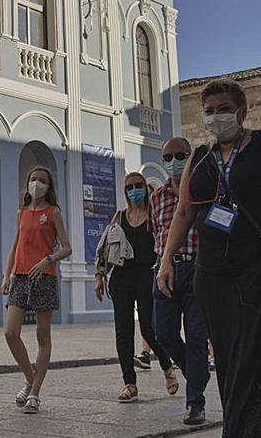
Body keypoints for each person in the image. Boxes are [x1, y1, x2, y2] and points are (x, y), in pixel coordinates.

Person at [158, 79, 261, 437]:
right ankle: (241, 428)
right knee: (231, 358)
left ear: (241, 112)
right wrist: (166, 259)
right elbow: (183, 213)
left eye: (223, 109)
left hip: (260, 269)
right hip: (214, 275)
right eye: (210, 111)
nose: (216, 117)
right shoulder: (200, 158)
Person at [95, 172, 178, 403]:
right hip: (121, 278)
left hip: (146, 276)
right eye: (130, 187)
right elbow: (105, 247)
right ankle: (129, 384)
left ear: (145, 187)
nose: (134, 190)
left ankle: (166, 365)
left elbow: (165, 244)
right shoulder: (119, 217)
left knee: (149, 329)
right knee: (123, 332)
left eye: (138, 185)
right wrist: (99, 275)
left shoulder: (154, 216)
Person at [150, 136, 210, 426]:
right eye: (168, 157)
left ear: (190, 157)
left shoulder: (202, 191)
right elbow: (156, 236)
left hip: (197, 270)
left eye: (180, 155)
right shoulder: (156, 197)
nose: (173, 162)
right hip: (165, 270)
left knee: (197, 336)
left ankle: (194, 402)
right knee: (163, 334)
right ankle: (197, 373)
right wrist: (162, 264)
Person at [2, 165, 72, 415]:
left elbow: (67, 247)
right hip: (20, 277)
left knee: (42, 335)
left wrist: (48, 260)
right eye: (33, 179)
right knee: (11, 333)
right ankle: (31, 378)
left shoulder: (53, 213)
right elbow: (15, 245)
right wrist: (7, 275)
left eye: (42, 181)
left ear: (48, 187)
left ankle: (34, 393)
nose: (37, 184)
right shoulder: (21, 213)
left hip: (44, 277)